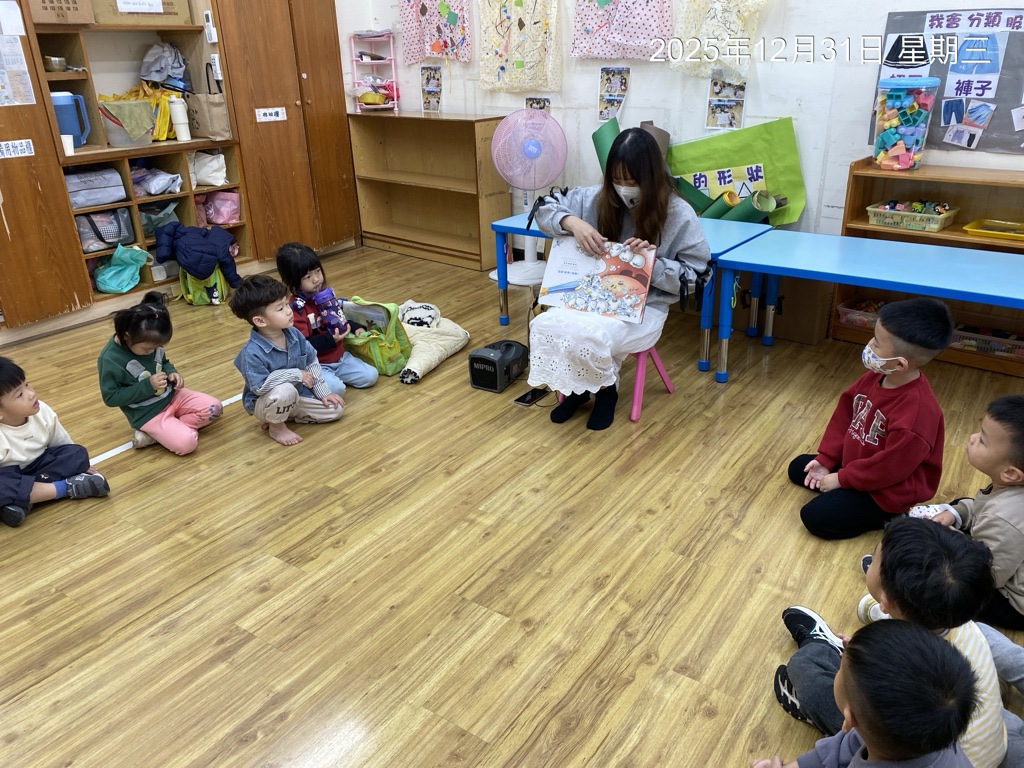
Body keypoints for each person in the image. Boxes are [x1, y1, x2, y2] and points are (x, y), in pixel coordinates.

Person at [773, 518, 1006, 768]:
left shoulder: (912, 669)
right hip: (981, 746)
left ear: (886, 600)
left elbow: (871, 725)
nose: (870, 562)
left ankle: (815, 673)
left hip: (912, 744)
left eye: (873, 559)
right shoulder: (957, 618)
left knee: (806, 671)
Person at [527, 127, 710, 430]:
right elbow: (544, 208)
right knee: (545, 324)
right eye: (617, 179)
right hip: (591, 297)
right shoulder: (594, 198)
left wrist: (649, 265)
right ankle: (577, 388)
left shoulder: (678, 213)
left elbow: (695, 278)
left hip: (645, 308)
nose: (623, 188)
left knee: (592, 335)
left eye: (632, 181)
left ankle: (605, 391)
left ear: (651, 178)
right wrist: (571, 222)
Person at [787, 297, 954, 539]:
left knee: (815, 517)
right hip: (860, 465)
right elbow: (844, 416)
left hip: (888, 490)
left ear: (900, 364)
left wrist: (841, 479)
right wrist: (827, 458)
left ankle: (890, 516)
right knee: (798, 467)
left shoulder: (917, 414)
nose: (869, 345)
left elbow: (889, 469)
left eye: (876, 342)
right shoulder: (877, 376)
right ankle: (845, 486)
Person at [752, 620, 977, 768]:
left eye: (840, 668)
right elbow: (847, 744)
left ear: (849, 720)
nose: (841, 655)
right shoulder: (931, 737)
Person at [920, 395, 1024, 630]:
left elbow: (988, 575)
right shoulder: (1008, 491)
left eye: (982, 440)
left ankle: (898, 578)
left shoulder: (1004, 517)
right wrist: (956, 513)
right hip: (1002, 556)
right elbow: (980, 507)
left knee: (944, 581)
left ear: (1010, 473)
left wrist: (949, 537)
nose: (972, 438)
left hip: (1011, 603)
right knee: (960, 505)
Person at [97, 291, 222, 455]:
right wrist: (148, 386)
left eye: (156, 347)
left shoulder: (150, 341)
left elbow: (163, 362)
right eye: (147, 349)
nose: (151, 352)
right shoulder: (109, 359)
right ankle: (163, 431)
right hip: (148, 414)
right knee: (187, 444)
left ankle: (160, 434)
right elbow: (111, 398)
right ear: (127, 336)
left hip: (173, 397)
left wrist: (172, 373)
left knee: (215, 408)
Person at [228, 274, 344, 446]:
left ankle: (282, 416)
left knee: (335, 410)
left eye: (286, 304)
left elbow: (311, 361)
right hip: (266, 401)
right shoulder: (251, 353)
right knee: (285, 390)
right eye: (280, 308)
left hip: (296, 396)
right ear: (260, 321)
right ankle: (276, 427)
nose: (289, 310)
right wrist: (295, 374)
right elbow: (259, 387)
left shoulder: (294, 333)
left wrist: (323, 393)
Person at [0, 357, 109, 527]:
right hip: (11, 476)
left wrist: (79, 464)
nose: (31, 394)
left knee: (77, 453)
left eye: (27, 384)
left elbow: (62, 444)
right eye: (19, 394)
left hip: (42, 467)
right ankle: (65, 488)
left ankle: (22, 501)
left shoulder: (42, 410)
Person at [275, 242, 378, 399]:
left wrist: (355, 326)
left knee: (371, 376)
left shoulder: (325, 296)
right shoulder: (296, 309)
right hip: (317, 364)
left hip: (340, 357)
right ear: (293, 281)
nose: (316, 279)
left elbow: (339, 318)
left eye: (318, 271)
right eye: (308, 277)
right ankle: (310, 385)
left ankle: (333, 378)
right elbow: (302, 346)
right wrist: (331, 340)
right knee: (337, 390)